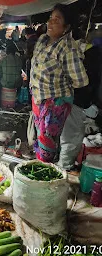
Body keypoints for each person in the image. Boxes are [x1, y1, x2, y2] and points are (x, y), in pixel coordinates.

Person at [30, 4, 89, 163]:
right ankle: (42, 164)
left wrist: (59, 87)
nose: (51, 22)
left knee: (48, 143)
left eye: (57, 20)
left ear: (66, 27)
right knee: (41, 137)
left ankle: (45, 173)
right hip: (38, 98)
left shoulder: (68, 48)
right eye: (50, 18)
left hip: (55, 103)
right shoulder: (42, 40)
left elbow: (81, 81)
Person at [58, 32, 102, 170]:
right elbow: (85, 83)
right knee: (71, 139)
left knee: (68, 137)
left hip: (75, 101)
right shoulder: (94, 56)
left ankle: (65, 164)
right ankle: (64, 168)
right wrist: (90, 104)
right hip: (79, 103)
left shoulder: (86, 53)